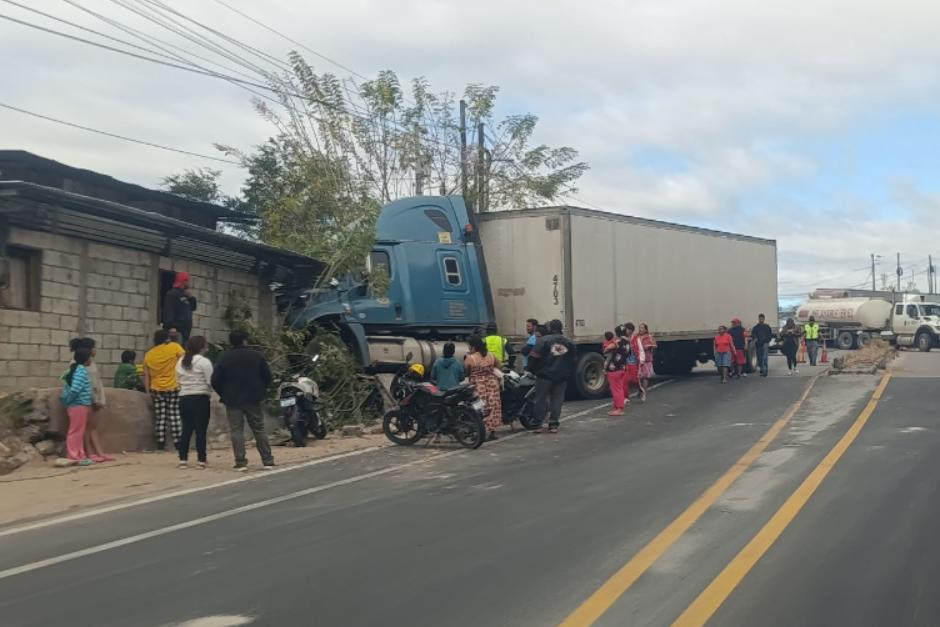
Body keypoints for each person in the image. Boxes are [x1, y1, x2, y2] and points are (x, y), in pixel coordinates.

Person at [211, 331, 275, 471]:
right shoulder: (256, 356)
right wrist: (261, 390)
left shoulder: (224, 357)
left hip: (232, 399)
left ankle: (241, 462)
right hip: (253, 398)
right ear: (244, 341)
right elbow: (267, 377)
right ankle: (267, 460)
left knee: (236, 430)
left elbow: (215, 380)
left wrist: (224, 393)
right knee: (259, 428)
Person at [528, 319, 577, 434]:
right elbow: (574, 360)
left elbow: (533, 358)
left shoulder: (543, 340)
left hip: (544, 375)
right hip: (561, 376)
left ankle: (538, 425)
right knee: (557, 400)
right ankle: (553, 425)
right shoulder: (569, 343)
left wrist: (533, 371)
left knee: (540, 399)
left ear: (550, 328)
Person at [176, 335, 214, 469]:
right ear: (202, 347)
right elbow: (210, 381)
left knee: (186, 429)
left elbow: (178, 379)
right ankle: (201, 460)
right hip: (200, 398)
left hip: (184, 397)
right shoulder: (204, 362)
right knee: (200, 430)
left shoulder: (181, 361)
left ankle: (183, 459)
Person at [144, 329, 185, 451]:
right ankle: (178, 443)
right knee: (174, 414)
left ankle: (160, 444)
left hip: (156, 388)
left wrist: (147, 391)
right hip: (173, 386)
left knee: (160, 416)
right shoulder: (175, 347)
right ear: (167, 338)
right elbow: (185, 361)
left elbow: (146, 376)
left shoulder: (149, 354)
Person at [60, 345, 95, 466]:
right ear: (86, 359)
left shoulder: (77, 369)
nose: (91, 360)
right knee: (75, 431)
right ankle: (74, 456)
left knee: (78, 431)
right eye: (90, 357)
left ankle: (80, 455)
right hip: (78, 405)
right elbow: (75, 389)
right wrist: (69, 401)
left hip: (78, 405)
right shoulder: (81, 370)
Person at [464, 335, 502, 441]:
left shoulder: (470, 358)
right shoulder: (491, 355)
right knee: (493, 406)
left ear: (473, 346)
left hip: (478, 385)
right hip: (492, 383)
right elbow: (499, 365)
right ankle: (492, 432)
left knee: (479, 407)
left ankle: (480, 432)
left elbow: (467, 371)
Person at [163, 271, 197, 343]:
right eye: (187, 280)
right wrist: (171, 327)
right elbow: (169, 310)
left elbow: (193, 307)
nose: (189, 283)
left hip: (185, 332)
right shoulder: (172, 294)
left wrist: (191, 297)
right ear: (184, 281)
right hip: (176, 331)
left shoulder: (186, 294)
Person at [603, 331, 628, 416]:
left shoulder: (618, 342)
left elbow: (607, 349)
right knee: (618, 388)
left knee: (616, 390)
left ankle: (619, 408)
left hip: (615, 368)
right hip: (621, 367)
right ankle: (616, 407)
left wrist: (607, 348)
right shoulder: (627, 342)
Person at [637, 323, 657, 401]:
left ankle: (644, 393)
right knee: (638, 377)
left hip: (646, 359)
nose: (640, 329)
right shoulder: (637, 337)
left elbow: (655, 345)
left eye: (642, 328)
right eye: (639, 328)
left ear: (645, 329)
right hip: (638, 359)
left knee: (645, 377)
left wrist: (649, 346)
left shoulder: (649, 337)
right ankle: (640, 389)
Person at [625, 323, 646, 396]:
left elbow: (640, 349)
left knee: (634, 379)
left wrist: (642, 359)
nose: (626, 331)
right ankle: (625, 397)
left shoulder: (636, 338)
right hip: (626, 361)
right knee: (626, 379)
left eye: (627, 329)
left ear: (631, 330)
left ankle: (640, 389)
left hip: (634, 361)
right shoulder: (623, 338)